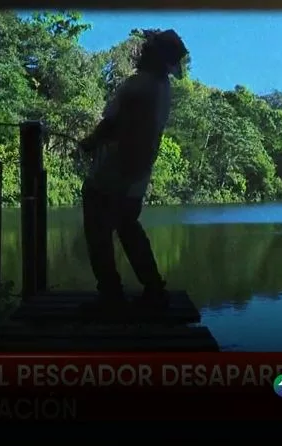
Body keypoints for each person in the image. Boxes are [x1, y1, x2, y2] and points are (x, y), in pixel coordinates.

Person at [78, 29, 188, 310]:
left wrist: (89, 143)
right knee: (128, 227)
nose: (142, 50)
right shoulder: (162, 88)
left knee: (98, 228)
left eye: (147, 47)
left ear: (151, 54)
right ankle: (153, 288)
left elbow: (111, 125)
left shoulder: (138, 85)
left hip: (116, 170)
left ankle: (111, 293)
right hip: (139, 173)